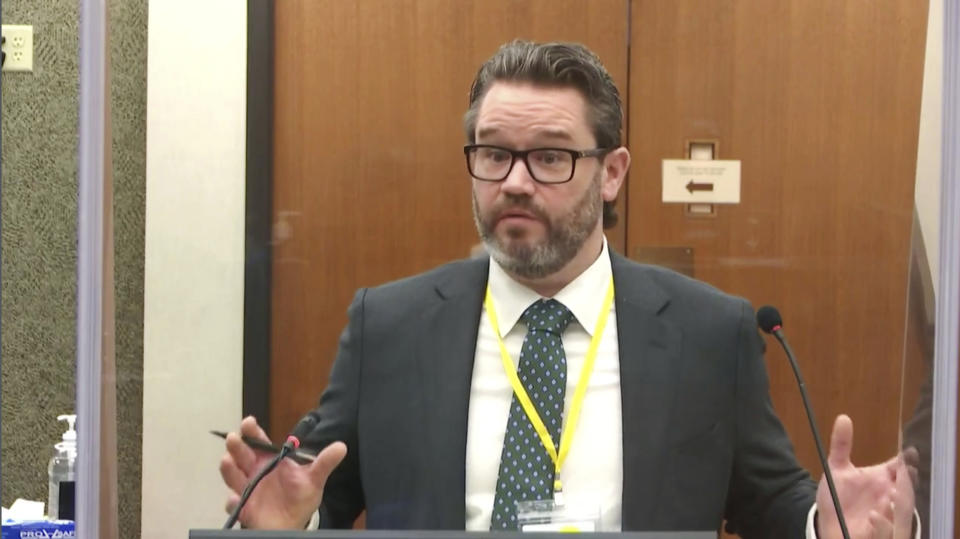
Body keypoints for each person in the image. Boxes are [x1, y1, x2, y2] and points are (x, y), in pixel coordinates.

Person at [220, 40, 916, 538]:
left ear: (611, 172)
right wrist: (284, 516)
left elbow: (769, 501)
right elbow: (319, 490)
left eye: (550, 156)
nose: (515, 180)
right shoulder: (391, 325)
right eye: (494, 153)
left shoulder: (711, 332)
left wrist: (826, 525)